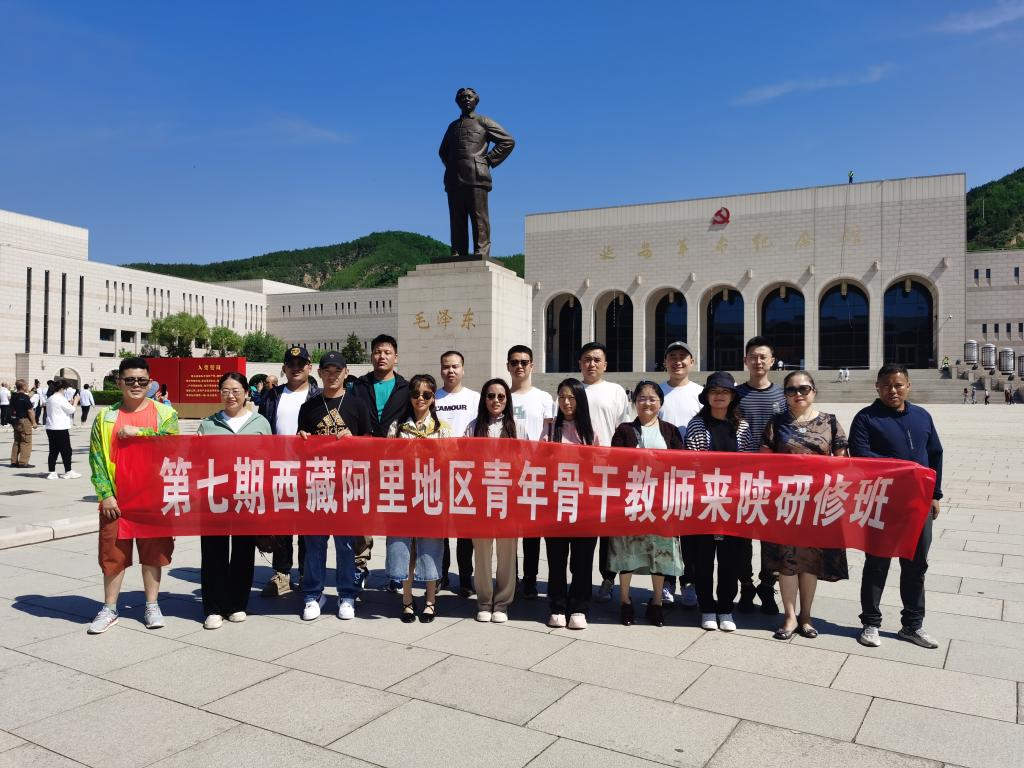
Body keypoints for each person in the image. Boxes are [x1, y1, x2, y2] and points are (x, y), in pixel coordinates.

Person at [850, 365, 943, 650]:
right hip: (882, 501)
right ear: (877, 387)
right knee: (877, 563)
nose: (893, 390)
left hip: (917, 503)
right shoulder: (866, 418)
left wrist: (935, 494)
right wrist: (904, 468)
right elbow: (861, 455)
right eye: (887, 385)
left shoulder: (922, 416)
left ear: (908, 386)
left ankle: (912, 625)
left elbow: (935, 454)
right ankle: (870, 622)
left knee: (916, 564)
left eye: (898, 385)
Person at [87, 357, 178, 634]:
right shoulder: (106, 417)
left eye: (141, 380)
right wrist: (105, 494)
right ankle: (109, 608)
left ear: (150, 383)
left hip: (153, 498)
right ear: (119, 383)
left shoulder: (165, 413)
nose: (136, 385)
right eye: (129, 380)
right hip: (117, 500)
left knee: (153, 555)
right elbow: (96, 458)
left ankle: (152, 605)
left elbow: (173, 445)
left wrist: (140, 432)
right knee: (112, 556)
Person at [760, 371, 849, 640]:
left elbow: (842, 461)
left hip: (816, 504)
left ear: (814, 391)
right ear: (785, 394)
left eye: (804, 389)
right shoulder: (776, 423)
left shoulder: (830, 422)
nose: (798, 394)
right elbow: (764, 461)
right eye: (791, 390)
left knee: (810, 562)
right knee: (786, 561)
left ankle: (806, 616)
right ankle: (789, 616)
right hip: (785, 503)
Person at [296, 351, 372, 621]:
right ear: (318, 373)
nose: (332, 376)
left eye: (337, 371)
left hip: (347, 485)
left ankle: (347, 595)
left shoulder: (358, 405)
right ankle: (312, 595)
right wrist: (301, 437)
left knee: (346, 545)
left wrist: (355, 439)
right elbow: (300, 445)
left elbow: (370, 442)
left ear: (346, 372)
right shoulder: (308, 407)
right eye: (327, 371)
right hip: (317, 484)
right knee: (314, 543)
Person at [197, 373, 272, 629]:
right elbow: (196, 461)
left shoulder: (260, 423)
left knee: (243, 551)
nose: (231, 395)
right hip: (214, 498)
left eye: (236, 390)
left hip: (247, 496)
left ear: (247, 393)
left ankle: (237, 604)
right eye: (226, 390)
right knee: (213, 552)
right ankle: (213, 607)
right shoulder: (208, 424)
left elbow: (270, 460)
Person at [609, 381, 684, 627]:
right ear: (635, 402)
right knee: (627, 553)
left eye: (653, 398)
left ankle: (657, 602)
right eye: (642, 398)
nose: (647, 403)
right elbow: (616, 462)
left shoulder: (670, 431)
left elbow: (680, 464)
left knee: (659, 553)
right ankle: (625, 601)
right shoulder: (624, 430)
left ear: (660, 402)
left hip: (661, 503)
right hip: (632, 501)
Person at [685, 372, 756, 632]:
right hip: (704, 501)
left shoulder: (742, 426)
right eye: (714, 391)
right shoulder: (696, 424)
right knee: (702, 559)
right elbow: (693, 462)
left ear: (732, 396)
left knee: (731, 560)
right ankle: (706, 608)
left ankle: (725, 608)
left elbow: (748, 462)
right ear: (706, 396)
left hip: (733, 503)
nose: (719, 396)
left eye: (724, 392)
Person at [386, 374, 453, 623]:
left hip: (431, 494)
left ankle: (430, 600)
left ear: (433, 397)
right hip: (403, 494)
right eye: (415, 394)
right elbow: (387, 460)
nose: (420, 399)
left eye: (426, 394)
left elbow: (450, 462)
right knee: (404, 547)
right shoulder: (397, 427)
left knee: (431, 548)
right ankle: (406, 599)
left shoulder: (442, 428)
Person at [258, 346, 321, 597]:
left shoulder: (319, 397)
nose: (296, 368)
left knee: (308, 526)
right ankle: (282, 573)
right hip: (279, 469)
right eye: (291, 364)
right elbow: (262, 428)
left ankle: (306, 573)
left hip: (310, 470)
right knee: (281, 523)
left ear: (310, 367)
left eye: (301, 364)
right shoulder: (272, 396)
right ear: (284, 368)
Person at [351, 334, 410, 590]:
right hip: (364, 462)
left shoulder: (406, 388)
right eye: (377, 351)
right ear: (371, 356)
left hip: (396, 464)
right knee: (363, 516)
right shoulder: (359, 386)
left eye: (387, 352)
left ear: (396, 358)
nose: (381, 356)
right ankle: (359, 566)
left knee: (395, 517)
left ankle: (396, 571)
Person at [466, 378, 525, 623]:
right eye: (491, 396)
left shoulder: (517, 427)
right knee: (481, 553)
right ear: (484, 399)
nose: (496, 401)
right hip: (481, 499)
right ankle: (484, 601)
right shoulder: (473, 427)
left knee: (507, 552)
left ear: (507, 400)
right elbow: (464, 461)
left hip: (508, 499)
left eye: (501, 396)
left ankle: (502, 603)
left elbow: (526, 461)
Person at [735, 336, 786, 614]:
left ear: (772, 361)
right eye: (753, 356)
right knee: (741, 538)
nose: (758, 361)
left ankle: (768, 585)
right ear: (745, 360)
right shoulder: (735, 395)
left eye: (763, 356)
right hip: (741, 478)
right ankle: (746, 585)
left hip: (774, 479)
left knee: (772, 537)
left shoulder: (783, 396)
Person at [544, 377, 599, 630]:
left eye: (571, 397)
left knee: (582, 560)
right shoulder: (550, 428)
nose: (566, 402)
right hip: (555, 505)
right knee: (556, 559)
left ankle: (579, 607)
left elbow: (599, 466)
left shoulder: (590, 431)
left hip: (584, 506)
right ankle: (557, 606)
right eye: (562, 397)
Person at [578, 341, 630, 603]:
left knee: (609, 529)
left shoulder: (616, 391)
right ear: (580, 363)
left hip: (610, 470)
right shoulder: (572, 391)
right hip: (579, 472)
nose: (592, 364)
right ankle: (581, 581)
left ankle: (608, 578)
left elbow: (625, 429)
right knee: (584, 530)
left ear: (605, 364)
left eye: (597, 360)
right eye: (587, 359)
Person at [438, 87, 515, 258]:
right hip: (454, 178)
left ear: (475, 100)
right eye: (462, 97)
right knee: (457, 218)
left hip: (476, 175)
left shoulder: (483, 121)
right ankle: (458, 250)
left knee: (479, 216)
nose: (466, 99)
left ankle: (481, 250)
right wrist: (452, 165)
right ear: (457, 102)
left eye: (469, 97)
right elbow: (442, 151)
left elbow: (508, 141)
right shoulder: (452, 126)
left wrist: (488, 160)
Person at [658, 341, 703, 608]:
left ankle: (689, 582)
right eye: (672, 356)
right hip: (662, 475)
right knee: (666, 532)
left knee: (690, 534)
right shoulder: (657, 392)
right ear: (665, 362)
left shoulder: (700, 394)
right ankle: (667, 581)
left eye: (682, 357)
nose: (677, 361)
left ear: (692, 362)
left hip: (692, 476)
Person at [508, 344, 554, 600]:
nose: (519, 366)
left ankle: (530, 579)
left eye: (524, 362)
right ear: (508, 366)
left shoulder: (544, 398)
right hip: (506, 474)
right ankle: (511, 577)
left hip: (535, 474)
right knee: (509, 532)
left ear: (532, 366)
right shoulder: (502, 396)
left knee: (532, 533)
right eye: (515, 362)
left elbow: (550, 436)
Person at [434, 350, 479, 598]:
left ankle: (465, 578)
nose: (450, 371)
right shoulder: (432, 397)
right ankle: (441, 575)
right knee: (440, 530)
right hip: (438, 472)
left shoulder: (475, 398)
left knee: (465, 532)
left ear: (463, 369)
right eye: (446, 366)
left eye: (455, 366)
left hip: (466, 474)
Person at [44, 379, 80, 480]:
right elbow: (71, 410)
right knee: (66, 450)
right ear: (62, 388)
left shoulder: (50, 398)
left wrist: (69, 403)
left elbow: (59, 409)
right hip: (60, 428)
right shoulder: (60, 398)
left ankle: (52, 472)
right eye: (65, 389)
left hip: (51, 427)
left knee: (53, 450)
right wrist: (76, 401)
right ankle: (68, 471)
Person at [8, 380, 36, 468]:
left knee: (17, 441)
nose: (27, 386)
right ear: (23, 387)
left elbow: (24, 399)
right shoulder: (25, 397)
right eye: (26, 385)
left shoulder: (13, 396)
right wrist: (34, 422)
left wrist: (32, 392)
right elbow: (30, 411)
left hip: (15, 421)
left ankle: (14, 462)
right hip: (24, 421)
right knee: (26, 442)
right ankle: (23, 462)